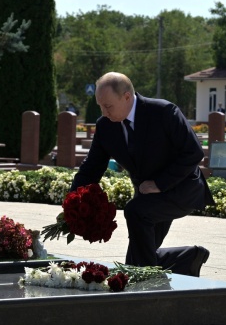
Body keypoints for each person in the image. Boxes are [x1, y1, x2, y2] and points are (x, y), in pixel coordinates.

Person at [69, 72, 213, 277]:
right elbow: (92, 167)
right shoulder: (105, 126)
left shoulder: (163, 112)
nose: (103, 112)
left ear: (126, 97)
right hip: (149, 196)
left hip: (181, 189)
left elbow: (193, 153)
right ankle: (189, 257)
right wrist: (72, 200)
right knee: (135, 261)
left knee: (135, 212)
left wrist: (159, 183)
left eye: (108, 106)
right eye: (100, 105)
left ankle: (145, 287)